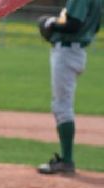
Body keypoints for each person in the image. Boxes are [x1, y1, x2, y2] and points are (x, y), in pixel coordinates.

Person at [36, 0, 102, 174]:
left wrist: (51, 23)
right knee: (62, 105)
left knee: (62, 107)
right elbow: (95, 27)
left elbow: (73, 24)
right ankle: (66, 160)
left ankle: (66, 161)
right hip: (78, 51)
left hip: (66, 52)